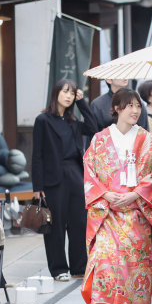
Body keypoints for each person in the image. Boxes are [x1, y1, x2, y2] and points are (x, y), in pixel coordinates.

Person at [81, 87, 152, 304]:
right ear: (116, 108)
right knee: (105, 260)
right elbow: (90, 172)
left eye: (138, 106)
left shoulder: (146, 138)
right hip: (109, 212)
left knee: (135, 266)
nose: (135, 110)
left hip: (136, 213)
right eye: (129, 105)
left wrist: (135, 194)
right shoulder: (99, 139)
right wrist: (104, 194)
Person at [32, 79, 98, 282]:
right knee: (56, 225)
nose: (69, 96)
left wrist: (82, 103)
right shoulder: (43, 120)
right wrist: (38, 186)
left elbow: (94, 127)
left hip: (75, 174)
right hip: (53, 177)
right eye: (65, 92)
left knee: (79, 222)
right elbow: (37, 154)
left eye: (72, 93)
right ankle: (59, 268)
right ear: (56, 94)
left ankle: (79, 267)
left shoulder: (73, 122)